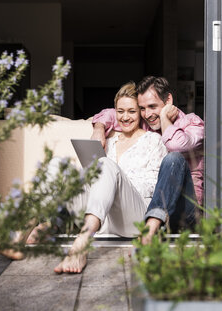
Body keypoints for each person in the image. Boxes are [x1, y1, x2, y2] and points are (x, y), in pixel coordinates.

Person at [53, 81, 168, 273]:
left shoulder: (153, 141)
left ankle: (82, 243)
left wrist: (118, 182)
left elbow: (154, 186)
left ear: (140, 113)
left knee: (106, 165)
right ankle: (27, 229)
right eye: (120, 111)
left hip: (135, 217)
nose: (125, 117)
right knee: (58, 164)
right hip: (104, 219)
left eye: (131, 111)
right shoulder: (109, 142)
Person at [91, 76, 204, 244]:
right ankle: (151, 227)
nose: (148, 114)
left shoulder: (193, 124)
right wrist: (99, 128)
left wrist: (165, 118)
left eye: (152, 106)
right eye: (142, 108)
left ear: (168, 101)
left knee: (173, 158)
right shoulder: (148, 122)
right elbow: (113, 113)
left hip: (184, 211)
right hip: (149, 211)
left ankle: (149, 231)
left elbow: (175, 145)